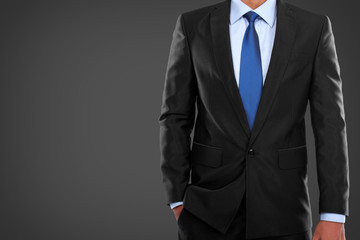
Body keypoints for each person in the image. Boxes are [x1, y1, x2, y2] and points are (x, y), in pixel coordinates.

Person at [159, 0, 350, 239]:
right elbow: (175, 115)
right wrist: (177, 197)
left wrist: (333, 215)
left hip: (285, 211)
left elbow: (330, 124)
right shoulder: (192, 24)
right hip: (206, 210)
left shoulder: (314, 27)